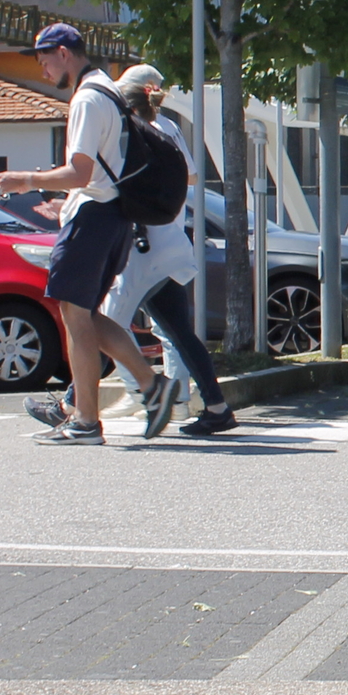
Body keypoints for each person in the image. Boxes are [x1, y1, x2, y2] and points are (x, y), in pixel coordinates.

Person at [0, 24, 163, 445]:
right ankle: (151, 386)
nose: (43, 71)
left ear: (63, 53)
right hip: (113, 215)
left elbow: (80, 172)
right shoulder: (108, 91)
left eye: (44, 61)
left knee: (75, 316)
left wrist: (23, 180)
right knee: (86, 315)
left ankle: (87, 421)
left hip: (93, 218)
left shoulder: (87, 98)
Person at [95, 66, 234, 436]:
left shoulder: (128, 131)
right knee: (177, 331)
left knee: (102, 324)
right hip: (169, 242)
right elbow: (191, 175)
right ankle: (210, 405)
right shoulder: (167, 128)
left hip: (142, 250)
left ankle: (125, 395)